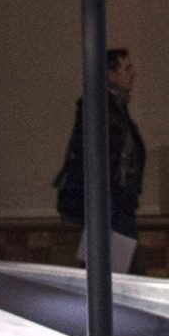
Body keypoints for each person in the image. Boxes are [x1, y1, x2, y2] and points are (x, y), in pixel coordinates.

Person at [55, 47, 146, 271]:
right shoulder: (98, 107)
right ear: (111, 75)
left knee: (114, 273)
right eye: (127, 68)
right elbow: (93, 157)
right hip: (111, 208)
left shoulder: (115, 107)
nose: (133, 74)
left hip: (116, 206)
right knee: (120, 276)